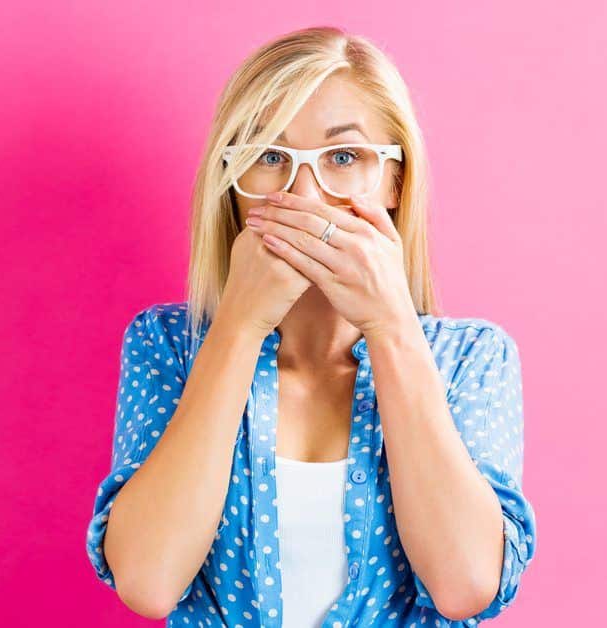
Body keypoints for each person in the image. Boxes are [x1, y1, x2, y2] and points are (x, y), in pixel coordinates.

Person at [86, 25, 537, 627]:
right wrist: (240, 326)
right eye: (270, 157)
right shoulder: (167, 345)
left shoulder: (471, 357)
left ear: (396, 181)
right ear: (232, 183)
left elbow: (466, 586)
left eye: (344, 157)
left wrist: (390, 323)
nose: (303, 192)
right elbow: (148, 581)